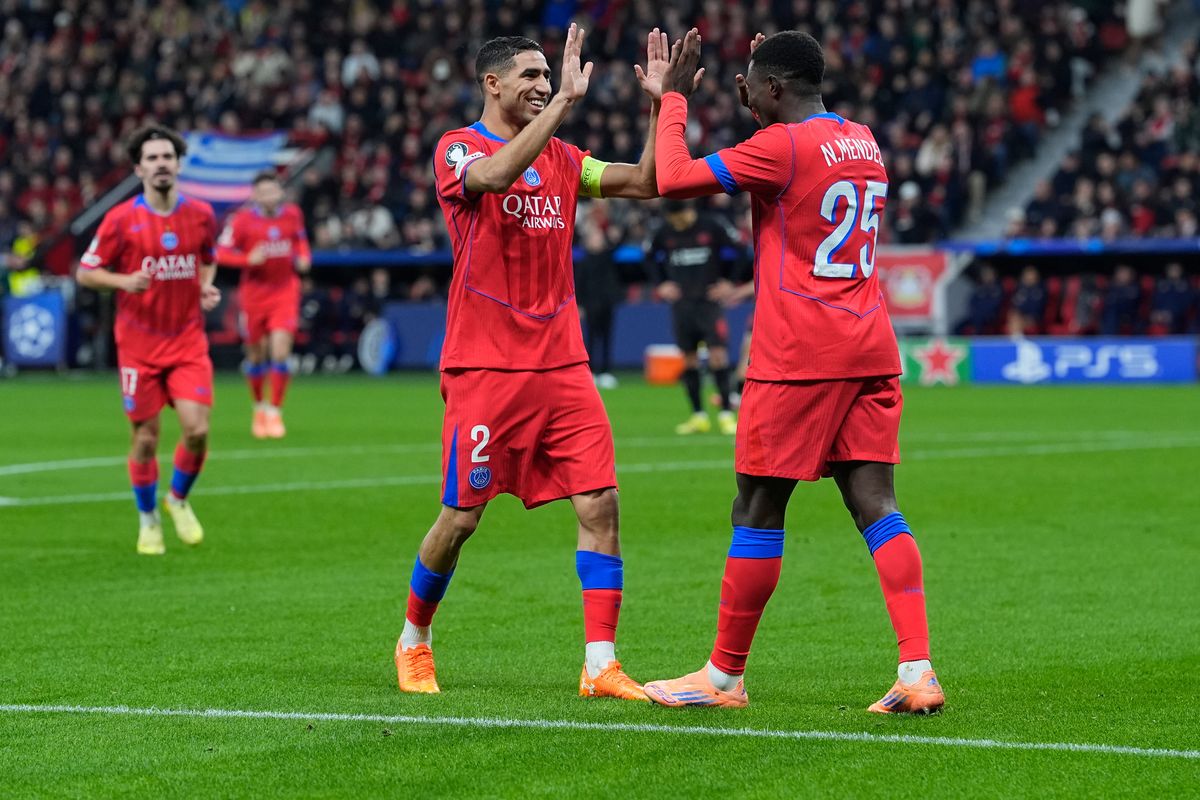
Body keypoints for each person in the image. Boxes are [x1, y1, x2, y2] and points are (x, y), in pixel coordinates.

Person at [640, 29, 944, 714]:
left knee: (757, 506)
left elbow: (672, 178)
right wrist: (761, 82)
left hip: (799, 357)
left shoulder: (780, 145)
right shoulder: (863, 140)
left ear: (774, 89)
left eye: (750, 83)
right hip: (870, 347)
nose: (742, 92)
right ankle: (917, 670)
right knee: (876, 505)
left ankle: (722, 679)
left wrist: (673, 101)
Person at [395, 26, 698, 700]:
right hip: (483, 367)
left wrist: (661, 104)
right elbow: (496, 175)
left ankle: (600, 664)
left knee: (602, 504)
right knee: (462, 519)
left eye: (546, 75)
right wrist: (563, 101)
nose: (541, 85)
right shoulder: (457, 149)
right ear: (492, 83)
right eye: (529, 76)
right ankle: (414, 638)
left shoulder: (565, 158)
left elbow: (647, 182)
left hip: (562, 364)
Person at [75, 124, 220, 555]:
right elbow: (86, 271)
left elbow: (207, 259)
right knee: (146, 439)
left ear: (177, 165)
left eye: (167, 157)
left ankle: (177, 499)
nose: (161, 164)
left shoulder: (200, 214)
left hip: (187, 340)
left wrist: (205, 286)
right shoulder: (121, 220)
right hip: (138, 347)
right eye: (152, 158)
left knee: (196, 430)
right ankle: (148, 518)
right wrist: (123, 280)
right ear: (139, 168)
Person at [216, 170, 311, 438]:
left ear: (280, 192)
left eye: (273, 191)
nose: (269, 196)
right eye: (264, 192)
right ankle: (259, 406)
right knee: (256, 355)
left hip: (285, 292)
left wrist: (303, 257)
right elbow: (220, 253)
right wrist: (247, 259)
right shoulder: (242, 221)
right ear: (255, 195)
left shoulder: (292, 214)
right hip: (254, 296)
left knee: (280, 352)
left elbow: (300, 241)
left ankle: (275, 412)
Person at [649, 199, 744, 434]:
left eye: (679, 218)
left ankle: (725, 415)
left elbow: (742, 251)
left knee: (718, 357)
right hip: (682, 305)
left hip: (708, 303)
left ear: (688, 210)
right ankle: (698, 416)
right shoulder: (664, 231)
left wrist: (729, 282)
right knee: (689, 359)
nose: (677, 223)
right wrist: (661, 284)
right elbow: (649, 258)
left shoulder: (711, 225)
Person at [574, 224, 622, 389]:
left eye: (599, 238)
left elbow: (618, 243)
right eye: (594, 238)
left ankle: (606, 372)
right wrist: (579, 305)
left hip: (606, 303)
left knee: (607, 338)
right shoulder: (584, 261)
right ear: (587, 242)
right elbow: (578, 285)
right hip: (590, 304)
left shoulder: (607, 257)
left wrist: (614, 234)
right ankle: (592, 371)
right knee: (591, 339)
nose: (597, 241)